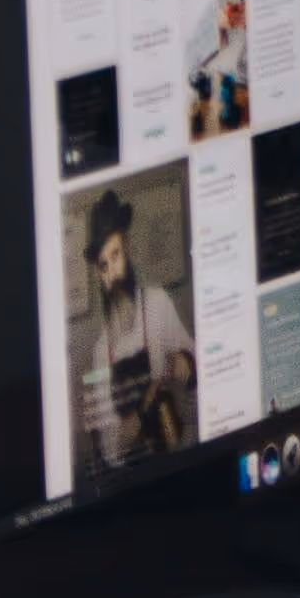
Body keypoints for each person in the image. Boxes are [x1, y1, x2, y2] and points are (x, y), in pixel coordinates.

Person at [77, 191, 195, 464]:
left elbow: (196, 363)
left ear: (126, 247)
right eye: (103, 266)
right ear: (98, 273)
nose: (112, 274)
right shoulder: (101, 351)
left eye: (115, 255)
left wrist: (184, 363)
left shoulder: (157, 302)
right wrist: (131, 424)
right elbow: (110, 450)